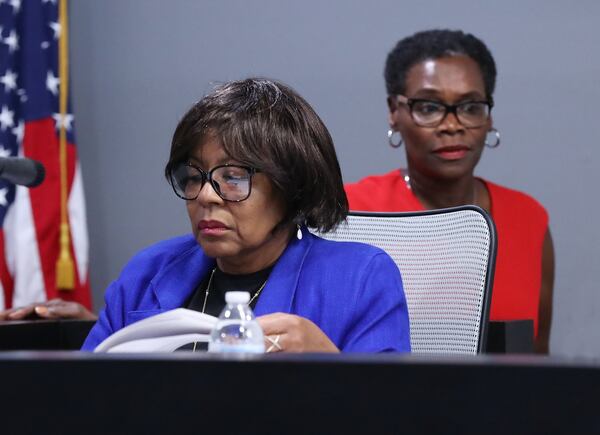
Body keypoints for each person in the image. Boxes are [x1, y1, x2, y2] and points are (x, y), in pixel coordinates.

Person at [81, 78, 410, 353]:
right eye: (194, 175)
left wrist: (330, 366)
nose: (207, 195)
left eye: (234, 177)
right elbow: (83, 396)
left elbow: (394, 417)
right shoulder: (147, 271)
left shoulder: (359, 278)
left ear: (291, 186)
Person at [345, 29, 554, 353]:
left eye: (471, 106)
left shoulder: (528, 220)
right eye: (428, 107)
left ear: (489, 116)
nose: (452, 125)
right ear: (393, 112)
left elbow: (539, 366)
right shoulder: (351, 212)